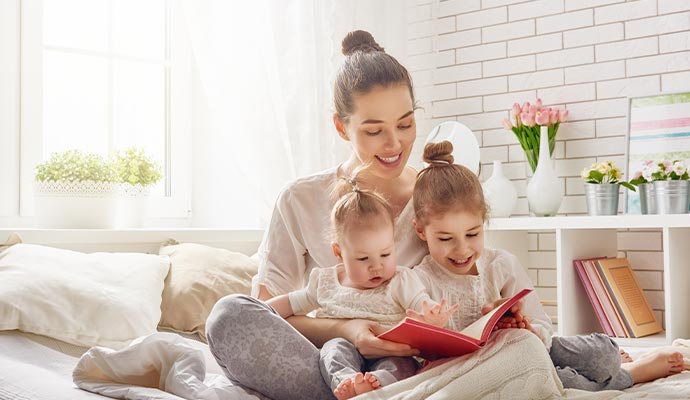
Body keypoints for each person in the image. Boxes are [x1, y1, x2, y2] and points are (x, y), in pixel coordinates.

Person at [205, 30, 431, 400]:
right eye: (374, 131)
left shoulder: (437, 194)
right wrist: (348, 329)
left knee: (521, 345)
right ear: (341, 127)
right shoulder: (301, 200)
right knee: (229, 317)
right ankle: (358, 392)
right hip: (328, 362)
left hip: (418, 364)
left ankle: (381, 391)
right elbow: (266, 315)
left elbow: (470, 285)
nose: (395, 145)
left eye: (405, 125)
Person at [410, 140, 686, 391]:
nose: (462, 249)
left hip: (533, 346)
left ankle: (618, 360)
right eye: (445, 238)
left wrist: (523, 327)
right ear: (421, 231)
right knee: (554, 381)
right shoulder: (417, 281)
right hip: (492, 368)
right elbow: (421, 359)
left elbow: (543, 329)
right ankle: (632, 373)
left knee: (602, 355)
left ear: (484, 222)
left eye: (473, 234)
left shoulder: (502, 265)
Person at [266, 174, 456, 399]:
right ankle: (347, 382)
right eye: (363, 259)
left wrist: (433, 317)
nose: (377, 267)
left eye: (385, 254)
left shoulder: (400, 280)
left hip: (391, 353)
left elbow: (421, 304)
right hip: (346, 349)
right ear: (339, 253)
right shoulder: (326, 283)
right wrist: (261, 311)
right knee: (332, 350)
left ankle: (379, 387)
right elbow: (290, 302)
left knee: (401, 365)